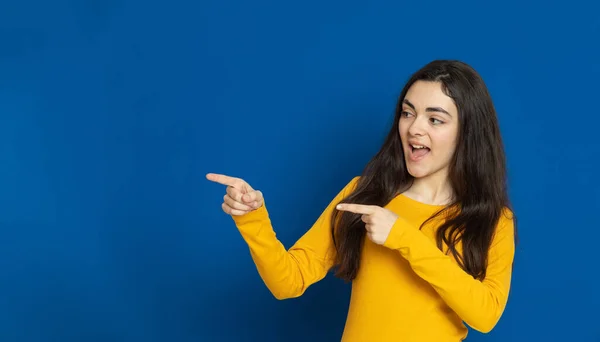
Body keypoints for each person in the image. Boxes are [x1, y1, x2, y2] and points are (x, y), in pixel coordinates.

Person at [206, 59, 517, 341]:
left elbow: (485, 315)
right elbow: (288, 280)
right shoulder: (365, 195)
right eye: (408, 113)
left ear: (467, 132)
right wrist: (252, 219)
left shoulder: (493, 219)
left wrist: (404, 237)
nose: (414, 128)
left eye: (435, 119)